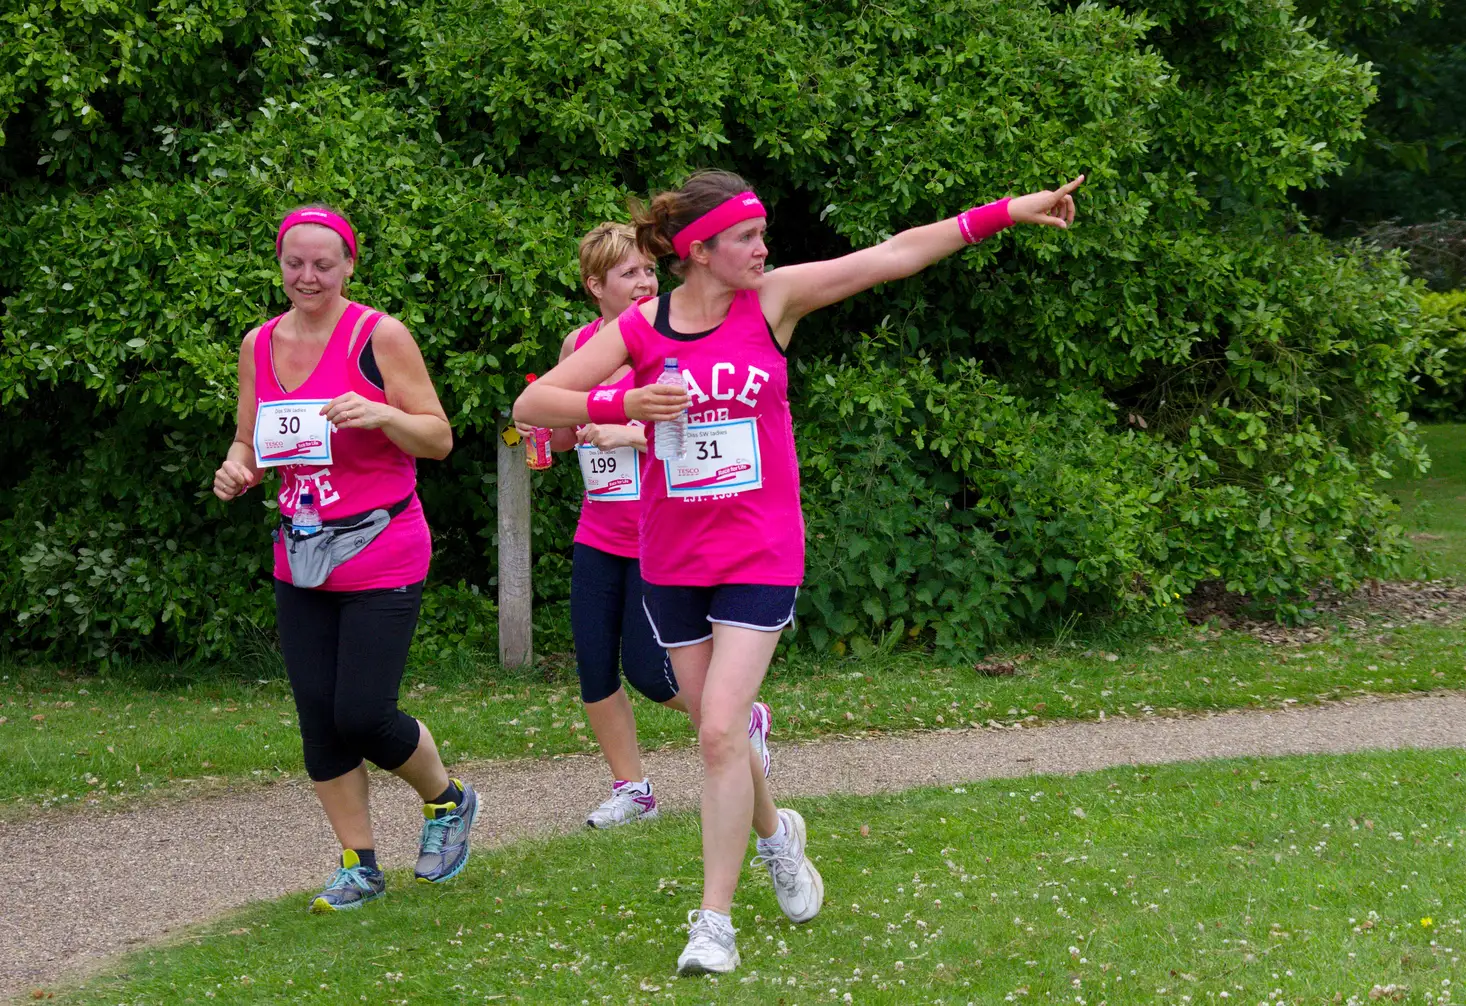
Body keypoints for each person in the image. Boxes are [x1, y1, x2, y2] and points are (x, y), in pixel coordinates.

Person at [514, 169, 1083, 975]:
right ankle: (779, 837)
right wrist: (622, 407)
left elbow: (897, 254)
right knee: (715, 728)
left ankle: (712, 923)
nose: (763, 246)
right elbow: (534, 405)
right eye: (746, 236)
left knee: (718, 728)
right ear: (700, 250)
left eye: (761, 233)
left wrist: (1006, 213)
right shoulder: (643, 329)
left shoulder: (773, 301)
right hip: (673, 558)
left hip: (759, 552)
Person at [212, 204, 480, 913]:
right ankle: (359, 865)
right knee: (318, 720)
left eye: (323, 264)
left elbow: (438, 438)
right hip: (301, 552)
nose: (308, 277)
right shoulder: (258, 343)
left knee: (362, 713)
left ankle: (447, 800)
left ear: (349, 265)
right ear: (280, 264)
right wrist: (237, 469)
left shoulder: (378, 335)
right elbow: (251, 441)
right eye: (294, 263)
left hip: (382, 545)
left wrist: (381, 414)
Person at [522, 222, 775, 829]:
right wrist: (550, 434)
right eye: (628, 273)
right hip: (598, 527)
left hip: (655, 530)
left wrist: (626, 432)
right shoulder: (579, 344)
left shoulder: (669, 340)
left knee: (645, 665)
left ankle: (741, 719)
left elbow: (692, 431)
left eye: (648, 271)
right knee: (593, 667)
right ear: (595, 286)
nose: (643, 283)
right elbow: (560, 435)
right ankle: (632, 788)